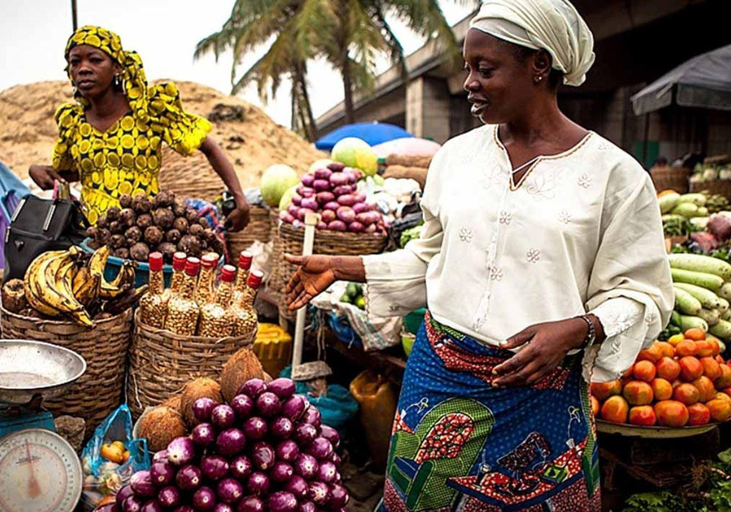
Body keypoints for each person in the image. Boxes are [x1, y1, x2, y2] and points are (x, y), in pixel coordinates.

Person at [284, 0, 673, 510]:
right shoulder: (456, 158)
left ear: (539, 65)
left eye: (484, 69)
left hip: (538, 393)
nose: (469, 81)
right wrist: (341, 267)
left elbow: (642, 293)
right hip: (436, 382)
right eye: (467, 68)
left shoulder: (615, 177)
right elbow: (431, 260)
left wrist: (578, 329)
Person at [29, 26, 249, 231]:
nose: (84, 69)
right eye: (75, 62)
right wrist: (40, 170)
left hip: (144, 235)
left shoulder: (148, 110)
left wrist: (240, 198)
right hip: (93, 236)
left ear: (117, 67)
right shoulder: (73, 122)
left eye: (95, 60)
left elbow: (209, 148)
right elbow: (83, 171)